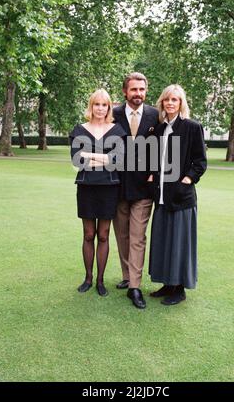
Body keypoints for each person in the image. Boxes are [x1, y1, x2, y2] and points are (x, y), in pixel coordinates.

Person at [149, 84, 207, 305]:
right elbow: (156, 161)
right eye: (167, 100)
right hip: (162, 196)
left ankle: (179, 289)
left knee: (180, 243)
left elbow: (200, 161)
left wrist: (187, 180)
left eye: (175, 99)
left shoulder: (192, 127)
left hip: (182, 198)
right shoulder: (160, 129)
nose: (170, 103)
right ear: (162, 103)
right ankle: (167, 284)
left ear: (181, 103)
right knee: (164, 241)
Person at [69, 89, 125, 297]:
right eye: (97, 104)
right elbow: (77, 161)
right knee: (88, 234)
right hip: (86, 187)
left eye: (104, 105)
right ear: (91, 106)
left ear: (109, 108)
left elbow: (118, 161)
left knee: (103, 235)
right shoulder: (79, 129)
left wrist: (90, 155)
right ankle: (88, 278)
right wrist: (104, 158)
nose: (100, 108)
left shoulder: (117, 130)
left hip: (109, 188)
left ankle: (100, 281)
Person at [113, 72, 159, 309]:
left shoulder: (155, 115)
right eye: (134, 90)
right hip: (117, 185)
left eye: (142, 89)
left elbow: (163, 147)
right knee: (121, 235)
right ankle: (126, 275)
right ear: (125, 92)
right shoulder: (113, 114)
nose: (138, 94)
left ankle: (135, 286)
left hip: (144, 187)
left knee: (137, 236)